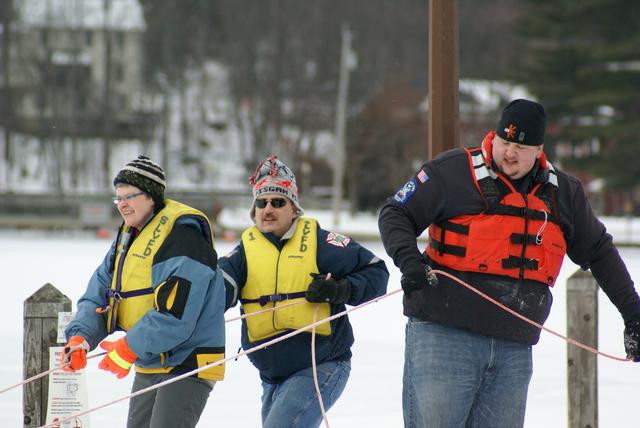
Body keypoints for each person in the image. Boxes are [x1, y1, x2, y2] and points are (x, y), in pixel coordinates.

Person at [378, 99, 640, 427]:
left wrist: (633, 314)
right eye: (504, 142)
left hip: (513, 350)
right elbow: (395, 212)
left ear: (539, 150)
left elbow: (600, 252)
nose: (509, 153)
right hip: (443, 337)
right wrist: (409, 261)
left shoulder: (563, 194)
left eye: (520, 146)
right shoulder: (451, 171)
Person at [219, 155, 389, 428]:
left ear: (294, 208)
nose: (268, 209)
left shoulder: (321, 243)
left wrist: (339, 289)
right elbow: (219, 287)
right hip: (272, 376)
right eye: (261, 203)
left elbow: (377, 272)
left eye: (278, 202)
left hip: (321, 364)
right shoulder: (243, 253)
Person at [61, 155, 226, 428]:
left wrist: (128, 346)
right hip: (150, 358)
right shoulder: (128, 239)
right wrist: (81, 337)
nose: (122, 205)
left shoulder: (184, 239)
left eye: (129, 196)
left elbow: (176, 316)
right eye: (118, 198)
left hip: (188, 361)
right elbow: (101, 293)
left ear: (151, 196)